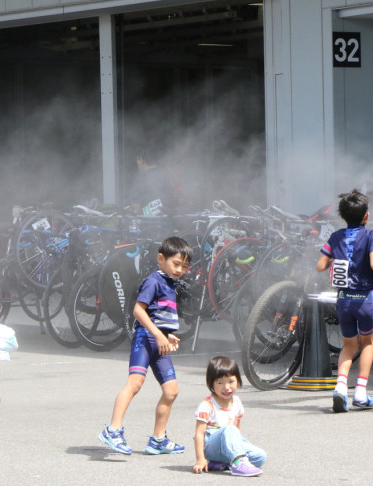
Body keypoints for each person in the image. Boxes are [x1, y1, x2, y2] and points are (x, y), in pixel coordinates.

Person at [98, 236, 192, 455]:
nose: (180, 270)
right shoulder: (154, 280)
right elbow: (139, 311)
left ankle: (158, 440)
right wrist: (159, 335)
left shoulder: (170, 283)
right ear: (161, 258)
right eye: (176, 264)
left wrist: (168, 335)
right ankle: (113, 430)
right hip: (145, 339)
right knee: (134, 384)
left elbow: (159, 316)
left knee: (171, 391)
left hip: (160, 343)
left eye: (185, 267)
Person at [316, 189, 373, 413]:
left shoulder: (335, 236)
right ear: (366, 216)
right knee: (367, 343)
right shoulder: (371, 235)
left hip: (343, 299)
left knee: (348, 346)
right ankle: (361, 393)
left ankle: (339, 389)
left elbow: (320, 266)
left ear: (342, 216)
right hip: (364, 299)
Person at [193, 356, 266, 477]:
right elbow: (199, 434)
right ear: (211, 383)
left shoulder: (236, 402)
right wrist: (200, 459)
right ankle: (238, 463)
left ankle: (222, 463)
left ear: (238, 381)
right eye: (220, 383)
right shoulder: (207, 405)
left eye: (231, 381)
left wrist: (238, 446)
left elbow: (238, 430)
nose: (226, 387)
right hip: (212, 447)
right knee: (229, 428)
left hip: (228, 446)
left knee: (260, 456)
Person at [127, 151, 183, 215]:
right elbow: (176, 196)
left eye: (137, 161)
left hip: (147, 221)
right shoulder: (168, 175)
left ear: (141, 160)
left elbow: (136, 206)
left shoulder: (140, 178)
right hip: (169, 219)